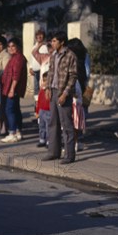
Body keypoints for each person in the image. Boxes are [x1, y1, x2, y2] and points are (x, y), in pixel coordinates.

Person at [42, 32, 78, 164]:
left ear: (62, 42)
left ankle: (69, 155)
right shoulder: (53, 55)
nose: (52, 43)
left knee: (66, 124)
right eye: (52, 41)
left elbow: (73, 77)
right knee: (53, 122)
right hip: (53, 91)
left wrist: (65, 94)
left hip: (64, 92)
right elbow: (51, 72)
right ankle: (53, 152)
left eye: (55, 41)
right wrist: (47, 88)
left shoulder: (70, 56)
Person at [0, 38, 28, 143]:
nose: (11, 48)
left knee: (9, 110)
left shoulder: (18, 58)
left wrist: (12, 89)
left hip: (13, 88)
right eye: (9, 46)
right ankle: (18, 132)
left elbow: (16, 76)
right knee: (16, 110)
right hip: (11, 88)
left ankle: (12, 133)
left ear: (18, 47)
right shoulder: (15, 57)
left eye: (13, 46)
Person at [29, 29, 47, 99]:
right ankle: (36, 102)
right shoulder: (34, 46)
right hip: (35, 70)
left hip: (42, 70)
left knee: (42, 86)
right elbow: (32, 58)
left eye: (41, 35)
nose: (39, 36)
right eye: (37, 35)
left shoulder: (45, 47)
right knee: (36, 88)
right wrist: (30, 67)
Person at [35, 72, 51, 147]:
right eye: (43, 81)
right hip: (42, 111)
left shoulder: (50, 91)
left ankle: (48, 141)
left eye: (46, 81)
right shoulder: (41, 91)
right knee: (41, 126)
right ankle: (42, 139)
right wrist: (37, 111)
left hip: (48, 111)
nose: (44, 83)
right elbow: (39, 102)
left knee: (48, 127)